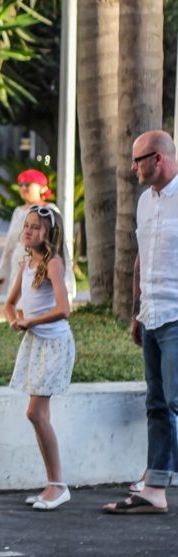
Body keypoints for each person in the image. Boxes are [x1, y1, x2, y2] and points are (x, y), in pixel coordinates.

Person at [104, 130, 178, 514]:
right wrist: (137, 311)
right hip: (152, 316)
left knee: (175, 399)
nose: (132, 167)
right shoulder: (146, 202)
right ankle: (155, 488)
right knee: (157, 404)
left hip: (177, 316)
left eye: (138, 160)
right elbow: (141, 258)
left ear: (158, 159)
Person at [3, 206, 75, 510]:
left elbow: (64, 309)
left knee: (36, 413)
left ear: (49, 233)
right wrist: (14, 319)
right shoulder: (26, 263)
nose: (28, 231)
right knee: (36, 414)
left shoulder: (53, 264)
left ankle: (57, 485)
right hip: (35, 344)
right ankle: (53, 484)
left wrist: (30, 322)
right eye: (26, 226)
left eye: (35, 227)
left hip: (54, 344)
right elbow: (10, 303)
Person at [0, 169, 75, 300]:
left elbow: (60, 245)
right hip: (18, 268)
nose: (24, 188)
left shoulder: (50, 211)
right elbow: (10, 244)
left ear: (42, 188)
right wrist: (1, 273)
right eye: (21, 185)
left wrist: (68, 282)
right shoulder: (18, 212)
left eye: (28, 184)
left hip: (42, 269)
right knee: (17, 311)